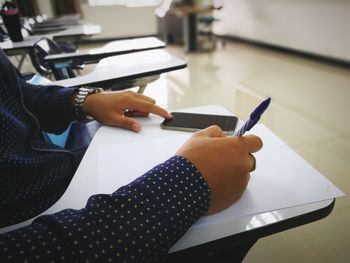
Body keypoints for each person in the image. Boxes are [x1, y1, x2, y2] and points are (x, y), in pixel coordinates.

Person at [0, 48, 263, 262]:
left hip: (55, 167)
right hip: (37, 217)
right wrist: (188, 184)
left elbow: (13, 93)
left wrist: (82, 101)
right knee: (233, 229)